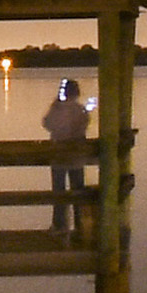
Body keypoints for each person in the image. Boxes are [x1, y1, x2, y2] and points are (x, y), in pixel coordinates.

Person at [42, 75, 95, 229]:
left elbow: (47, 124)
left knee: (59, 192)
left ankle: (59, 225)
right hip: (77, 157)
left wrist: (56, 104)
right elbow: (83, 125)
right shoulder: (81, 110)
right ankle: (80, 226)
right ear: (77, 93)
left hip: (58, 156)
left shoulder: (57, 109)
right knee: (77, 191)